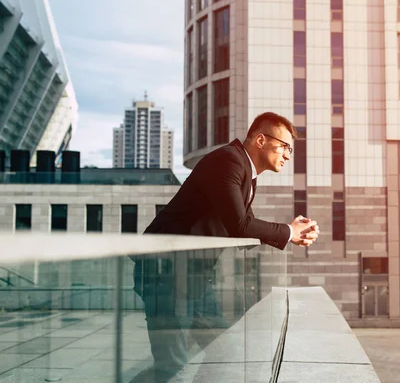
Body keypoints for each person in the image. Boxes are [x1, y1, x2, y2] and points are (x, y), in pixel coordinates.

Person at [132, 112, 319, 382]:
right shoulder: (228, 161)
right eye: (285, 147)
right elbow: (240, 225)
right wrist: (289, 232)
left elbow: (244, 222)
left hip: (192, 277)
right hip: (165, 273)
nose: (288, 155)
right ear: (261, 139)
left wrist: (293, 233)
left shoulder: (244, 170)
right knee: (171, 366)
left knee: (224, 349)